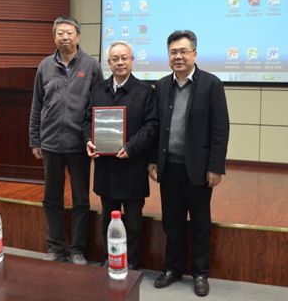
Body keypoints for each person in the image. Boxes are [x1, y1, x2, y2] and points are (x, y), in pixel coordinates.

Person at [148, 30, 229, 297]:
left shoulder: (211, 84)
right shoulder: (161, 86)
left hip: (198, 168)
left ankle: (200, 273)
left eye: (183, 51)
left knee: (201, 223)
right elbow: (155, 127)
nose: (178, 56)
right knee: (172, 222)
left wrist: (215, 166)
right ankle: (172, 268)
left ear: (195, 54)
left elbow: (220, 128)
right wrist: (152, 160)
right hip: (168, 166)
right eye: (173, 52)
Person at [29, 16, 103, 265]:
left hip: (80, 144)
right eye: (60, 33)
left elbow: (99, 106)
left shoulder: (91, 65)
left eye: (69, 33)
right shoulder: (44, 66)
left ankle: (78, 249)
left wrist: (94, 138)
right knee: (52, 198)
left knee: (81, 199)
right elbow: (36, 105)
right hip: (50, 143)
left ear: (78, 36)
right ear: (54, 37)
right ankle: (55, 248)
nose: (65, 37)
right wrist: (35, 139)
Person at [84, 41, 158, 270]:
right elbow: (87, 120)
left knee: (133, 221)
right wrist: (88, 139)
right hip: (106, 167)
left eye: (124, 58)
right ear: (108, 63)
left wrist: (131, 147)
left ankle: (132, 262)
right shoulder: (98, 90)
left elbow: (151, 126)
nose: (120, 62)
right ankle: (110, 257)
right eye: (115, 59)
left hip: (132, 166)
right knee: (107, 218)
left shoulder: (145, 91)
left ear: (132, 61)